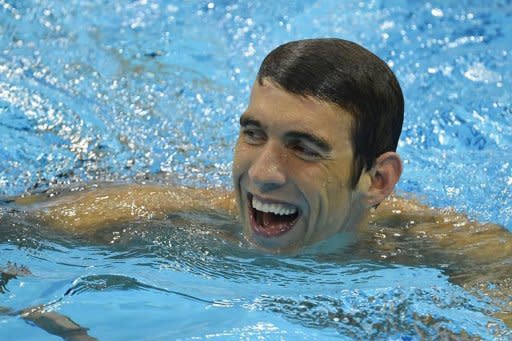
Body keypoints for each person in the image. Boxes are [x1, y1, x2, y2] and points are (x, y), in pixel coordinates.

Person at [4, 38, 512, 333]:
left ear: (377, 180)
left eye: (305, 147)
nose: (263, 172)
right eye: (253, 133)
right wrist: (67, 330)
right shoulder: (149, 218)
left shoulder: (441, 247)